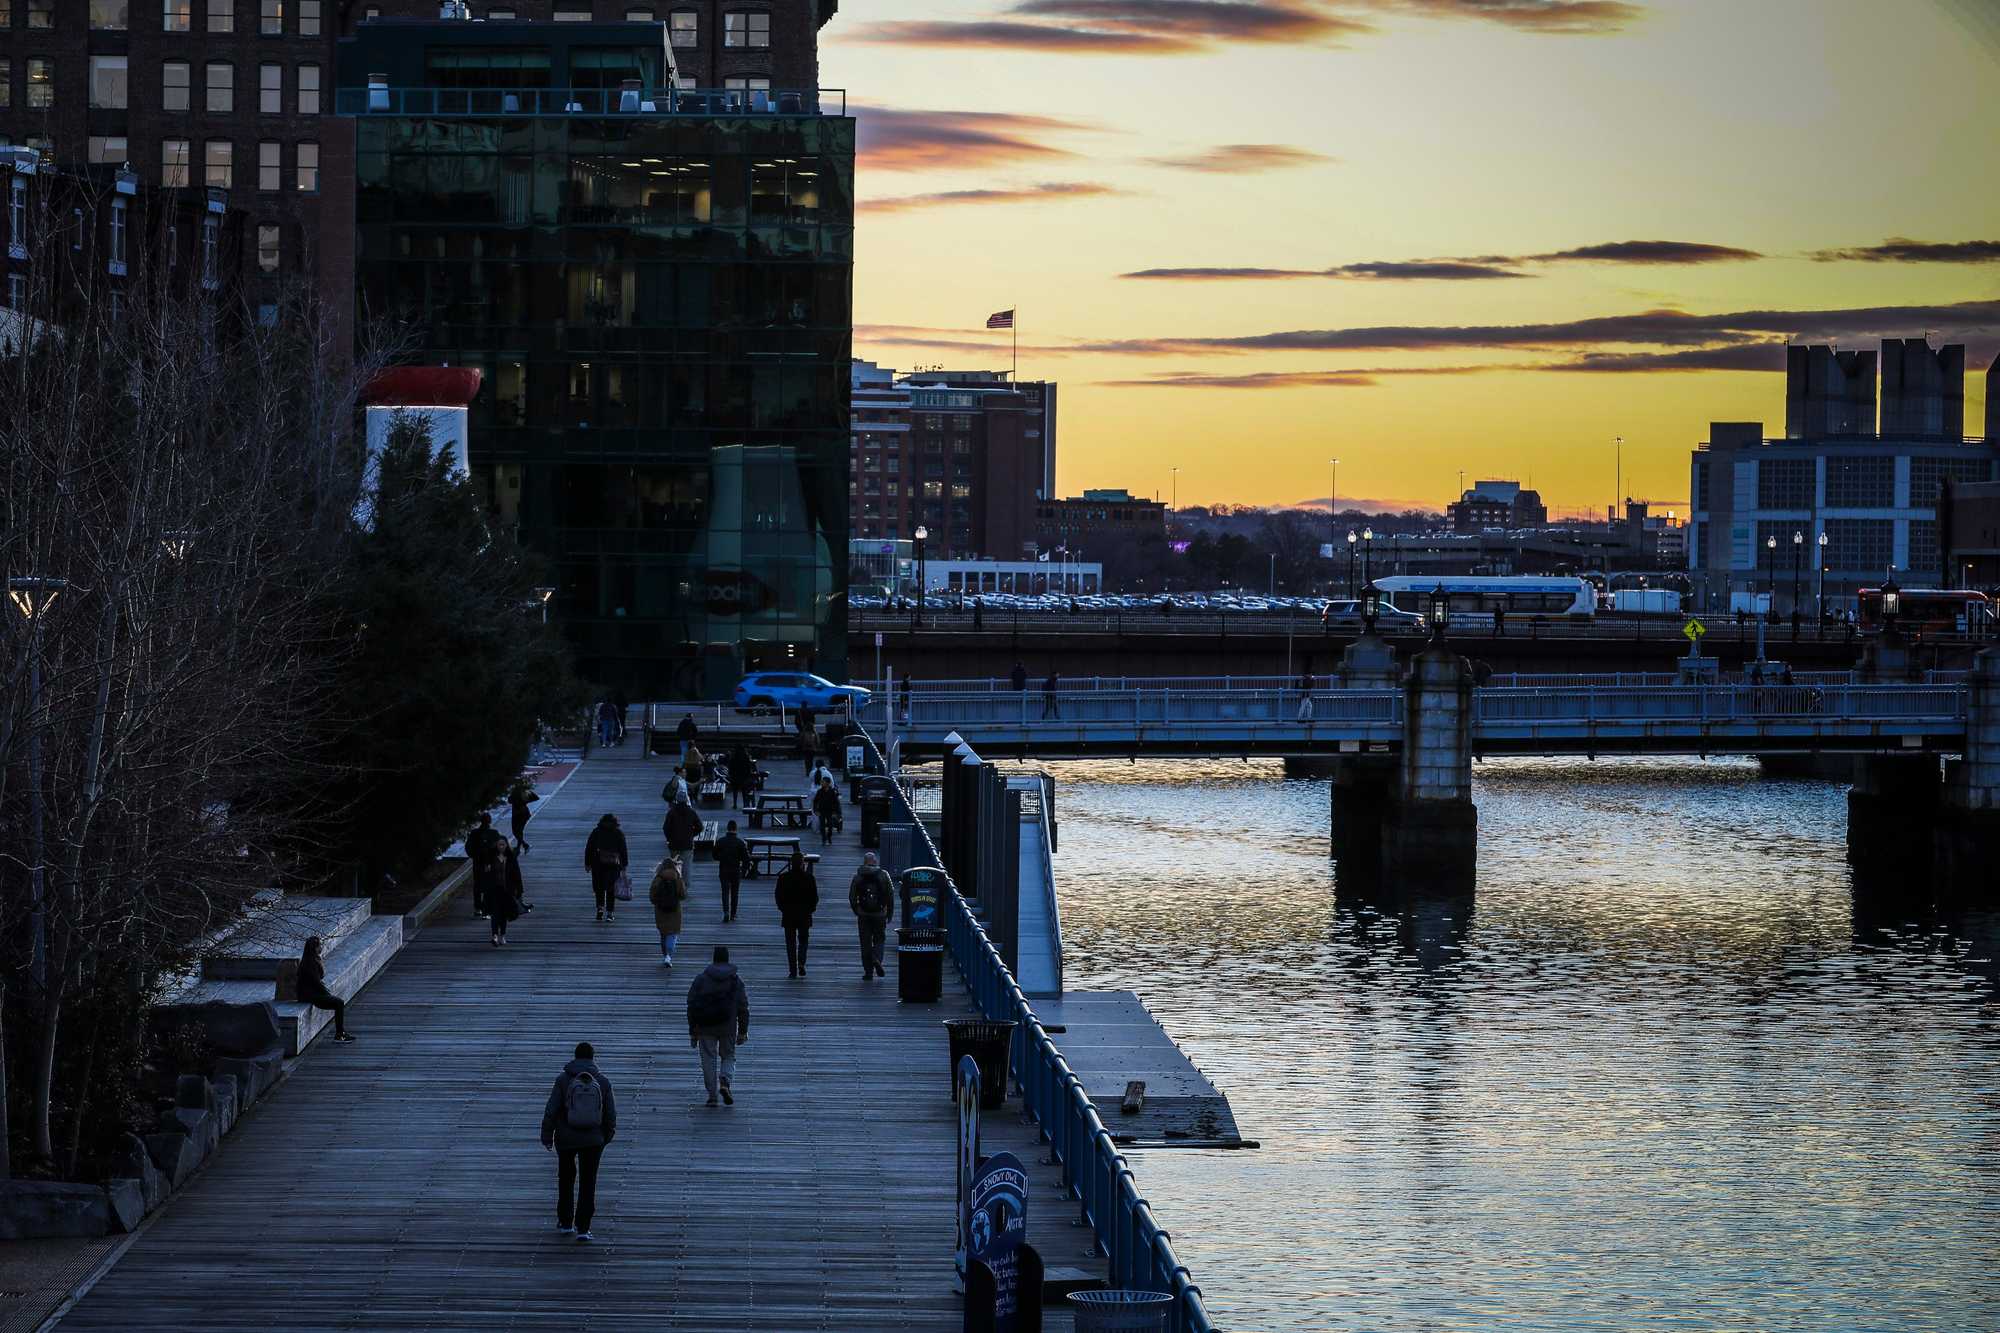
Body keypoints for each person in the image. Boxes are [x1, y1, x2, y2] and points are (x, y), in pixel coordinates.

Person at [540, 1041, 617, 1242]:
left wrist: (547, 1136)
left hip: (565, 1138)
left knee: (565, 1178)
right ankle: (583, 1227)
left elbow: (551, 1109)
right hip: (593, 1139)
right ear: (593, 1058)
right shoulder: (602, 1081)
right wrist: (606, 1136)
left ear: (575, 1057)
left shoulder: (563, 1080)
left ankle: (565, 1222)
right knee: (588, 1181)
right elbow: (610, 1113)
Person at [686, 946, 750, 1107]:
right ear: (727, 960)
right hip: (728, 1026)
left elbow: (691, 1004)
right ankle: (725, 1081)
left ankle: (712, 1096)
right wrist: (743, 1031)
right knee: (728, 1055)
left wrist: (692, 1029)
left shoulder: (701, 979)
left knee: (708, 1058)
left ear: (713, 959)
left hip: (705, 1025)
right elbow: (743, 1007)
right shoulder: (736, 980)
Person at [296, 936, 354, 1043]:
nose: (321, 947)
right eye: (320, 946)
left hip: (311, 993)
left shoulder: (312, 959)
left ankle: (341, 1033)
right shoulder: (310, 962)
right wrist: (327, 994)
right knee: (339, 1003)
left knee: (338, 1003)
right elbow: (316, 982)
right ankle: (339, 1035)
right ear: (315, 948)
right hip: (309, 995)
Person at [849, 852, 895, 981]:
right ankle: (876, 959)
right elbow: (890, 894)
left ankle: (868, 972)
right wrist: (890, 912)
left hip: (863, 914)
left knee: (865, 942)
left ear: (865, 862)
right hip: (880, 913)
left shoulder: (858, 876)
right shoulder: (884, 874)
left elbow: (852, 896)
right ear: (875, 861)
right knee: (879, 939)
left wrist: (857, 910)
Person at [775, 849, 818, 979]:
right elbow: (814, 897)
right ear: (802, 864)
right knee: (804, 940)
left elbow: (778, 896)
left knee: (790, 943)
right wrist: (811, 909)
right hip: (805, 915)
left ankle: (792, 969)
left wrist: (782, 908)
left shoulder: (783, 878)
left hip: (788, 915)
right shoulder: (809, 878)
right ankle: (802, 962)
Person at [583, 813, 628, 922]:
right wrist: (624, 865)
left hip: (597, 864)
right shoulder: (618, 833)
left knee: (599, 888)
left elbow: (589, 848)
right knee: (611, 889)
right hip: (613, 865)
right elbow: (623, 850)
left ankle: (600, 909)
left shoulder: (596, 832)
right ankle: (610, 913)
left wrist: (587, 863)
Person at [648, 857, 686, 968]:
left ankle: (665, 955)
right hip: (675, 910)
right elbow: (683, 895)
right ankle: (669, 955)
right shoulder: (677, 877)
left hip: (661, 910)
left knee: (663, 934)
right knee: (673, 933)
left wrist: (658, 902)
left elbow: (652, 897)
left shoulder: (657, 879)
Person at [467, 813, 504, 917]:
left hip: (478, 863)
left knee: (477, 885)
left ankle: (477, 908)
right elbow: (500, 849)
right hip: (491, 863)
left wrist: (475, 857)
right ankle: (485, 909)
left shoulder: (474, 833)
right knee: (489, 886)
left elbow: (468, 848)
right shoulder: (494, 833)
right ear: (490, 821)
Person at [714, 819, 750, 922]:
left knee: (725, 892)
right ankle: (733, 914)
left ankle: (726, 912)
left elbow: (714, 855)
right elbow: (746, 859)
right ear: (736, 829)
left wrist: (721, 857)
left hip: (724, 869)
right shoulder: (740, 843)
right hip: (736, 870)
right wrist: (743, 871)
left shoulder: (721, 841)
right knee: (735, 892)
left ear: (727, 829)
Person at [664, 794, 702, 864]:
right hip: (687, 843)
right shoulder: (691, 812)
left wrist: (669, 838)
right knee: (686, 867)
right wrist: (692, 834)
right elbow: (700, 827)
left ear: (676, 800)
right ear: (687, 800)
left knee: (675, 866)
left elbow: (665, 828)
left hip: (674, 844)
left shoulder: (671, 812)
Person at [507, 779, 538, 853]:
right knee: (518, 831)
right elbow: (536, 797)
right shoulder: (524, 791)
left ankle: (520, 847)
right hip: (524, 813)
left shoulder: (516, 792)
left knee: (516, 831)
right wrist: (526, 800)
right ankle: (523, 845)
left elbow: (510, 800)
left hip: (517, 814)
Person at [813, 777, 842, 847]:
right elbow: (815, 801)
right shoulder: (819, 791)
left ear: (828, 783)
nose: (822, 783)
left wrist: (836, 812)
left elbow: (836, 803)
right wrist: (815, 810)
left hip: (830, 811)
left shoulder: (832, 792)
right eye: (821, 782)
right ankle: (823, 839)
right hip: (822, 810)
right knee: (822, 826)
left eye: (823, 782)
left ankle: (829, 837)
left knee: (830, 825)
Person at [726, 744, 757, 810]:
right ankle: (744, 804)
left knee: (735, 791)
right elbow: (749, 768)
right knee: (744, 791)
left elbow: (730, 768)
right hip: (744, 778)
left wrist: (731, 775)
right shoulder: (746, 757)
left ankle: (735, 804)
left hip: (735, 778)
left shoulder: (733, 757)